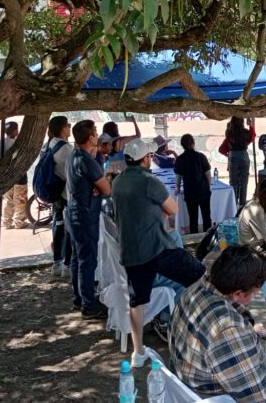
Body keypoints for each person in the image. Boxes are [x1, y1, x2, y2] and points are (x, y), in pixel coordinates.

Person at [169, 245, 266, 402]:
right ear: (238, 293)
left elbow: (217, 346)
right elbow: (263, 400)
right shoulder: (228, 329)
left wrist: (264, 330)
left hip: (193, 382)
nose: (256, 294)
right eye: (256, 291)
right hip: (216, 396)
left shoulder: (195, 290)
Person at [112, 138, 206, 367]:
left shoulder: (117, 181)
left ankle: (138, 352)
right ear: (145, 159)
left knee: (138, 300)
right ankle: (195, 332)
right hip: (157, 248)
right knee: (201, 275)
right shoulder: (149, 181)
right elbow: (173, 209)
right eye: (150, 156)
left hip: (131, 251)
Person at [65, 119, 111, 319]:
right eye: (95, 132)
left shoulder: (74, 155)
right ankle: (88, 304)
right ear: (90, 137)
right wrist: (100, 187)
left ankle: (80, 297)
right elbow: (107, 189)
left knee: (78, 257)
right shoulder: (85, 161)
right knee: (87, 260)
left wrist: (96, 187)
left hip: (74, 212)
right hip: (85, 215)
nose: (98, 135)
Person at [46, 116, 74, 278]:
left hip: (55, 194)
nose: (70, 129)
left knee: (58, 228)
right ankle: (67, 265)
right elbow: (70, 175)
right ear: (63, 128)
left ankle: (57, 262)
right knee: (69, 230)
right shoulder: (66, 149)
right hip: (65, 195)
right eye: (68, 126)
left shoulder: (49, 145)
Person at [174, 134, 212, 234]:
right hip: (203, 190)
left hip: (190, 192)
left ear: (182, 145)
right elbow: (208, 174)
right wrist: (209, 186)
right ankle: (209, 238)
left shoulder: (180, 159)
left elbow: (178, 177)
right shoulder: (201, 156)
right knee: (207, 217)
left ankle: (194, 241)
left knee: (193, 219)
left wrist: (177, 189)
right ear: (193, 143)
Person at [0, 121, 28, 229]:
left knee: (8, 201)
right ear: (15, 131)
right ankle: (19, 222)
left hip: (5, 177)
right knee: (20, 200)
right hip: (19, 177)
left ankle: (6, 222)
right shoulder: (18, 144)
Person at [225, 116, 253, 208]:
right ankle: (242, 203)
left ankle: (233, 202)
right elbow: (251, 138)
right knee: (244, 181)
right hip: (244, 155)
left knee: (233, 181)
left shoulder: (229, 132)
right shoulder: (245, 132)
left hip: (233, 155)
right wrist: (251, 125)